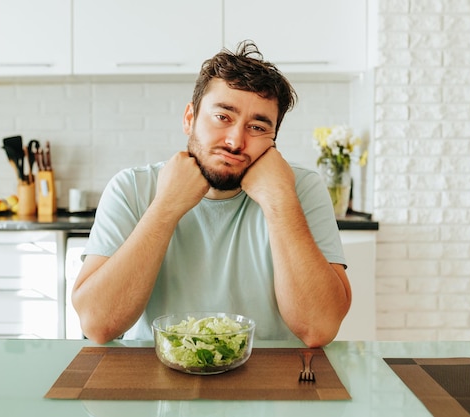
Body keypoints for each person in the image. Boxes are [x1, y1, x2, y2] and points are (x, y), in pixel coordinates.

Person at [72, 40, 351, 348]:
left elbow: (319, 328)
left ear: (274, 141)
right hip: (155, 377)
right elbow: (97, 324)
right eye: (222, 117)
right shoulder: (131, 188)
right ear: (189, 119)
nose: (235, 141)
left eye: (257, 127)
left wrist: (280, 202)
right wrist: (165, 207)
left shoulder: (301, 189)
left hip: (271, 380)